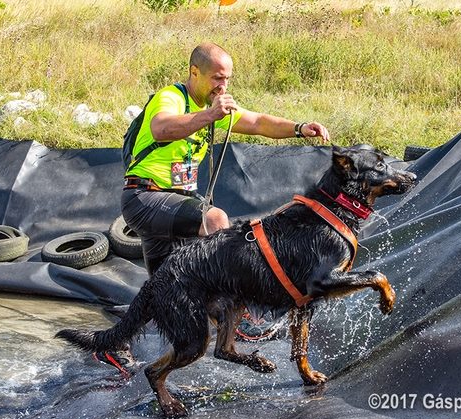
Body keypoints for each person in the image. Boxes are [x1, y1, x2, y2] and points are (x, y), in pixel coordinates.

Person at [99, 42, 330, 370]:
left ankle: (113, 344)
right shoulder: (173, 97)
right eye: (217, 78)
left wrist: (299, 128)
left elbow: (258, 122)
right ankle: (236, 313)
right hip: (145, 198)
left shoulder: (215, 109)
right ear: (195, 72)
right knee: (217, 218)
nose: (223, 86)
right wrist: (209, 114)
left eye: (228, 79)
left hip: (174, 206)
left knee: (163, 288)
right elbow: (161, 128)